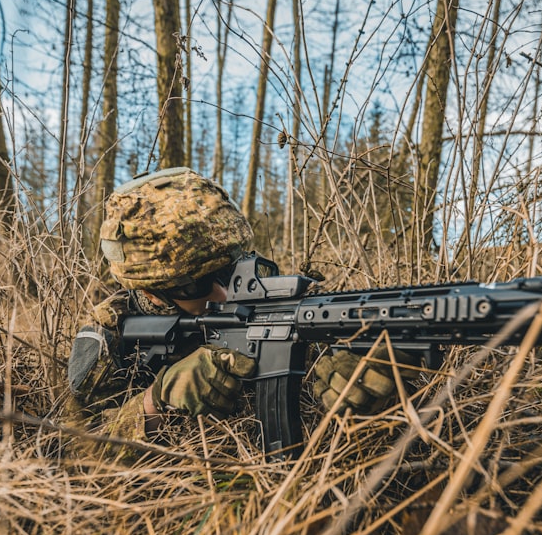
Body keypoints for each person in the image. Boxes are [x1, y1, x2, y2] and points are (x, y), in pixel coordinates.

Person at [66, 167, 408, 453]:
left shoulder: (284, 308)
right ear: (149, 292)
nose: (224, 292)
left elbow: (339, 390)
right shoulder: (109, 335)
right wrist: (156, 401)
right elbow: (74, 449)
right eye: (195, 285)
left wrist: (365, 385)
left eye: (231, 271)